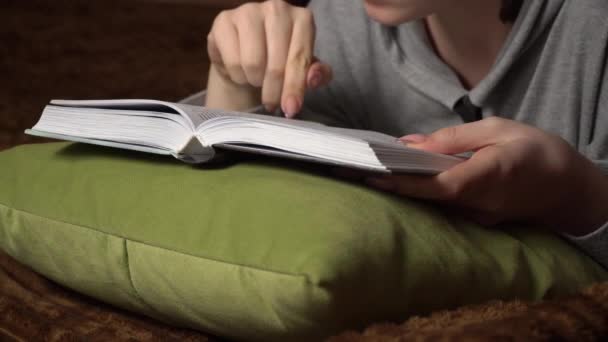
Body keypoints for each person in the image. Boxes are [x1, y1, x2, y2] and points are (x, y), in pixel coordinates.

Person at [202, 0, 608, 268]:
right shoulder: (342, 20)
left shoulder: (592, 26)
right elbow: (227, 227)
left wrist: (575, 192)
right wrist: (235, 84)